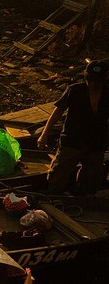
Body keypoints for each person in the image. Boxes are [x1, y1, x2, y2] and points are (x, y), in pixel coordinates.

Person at [37, 59, 109, 194]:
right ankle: (53, 197)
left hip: (97, 142)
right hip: (72, 139)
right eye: (90, 80)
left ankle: (83, 199)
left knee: (91, 178)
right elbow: (58, 111)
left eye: (96, 81)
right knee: (58, 174)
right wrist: (44, 134)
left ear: (105, 78)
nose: (92, 84)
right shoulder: (75, 90)